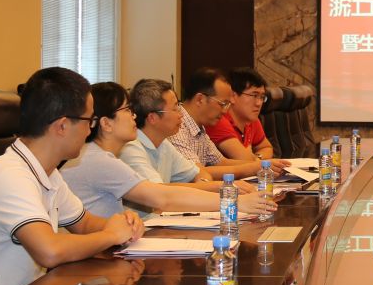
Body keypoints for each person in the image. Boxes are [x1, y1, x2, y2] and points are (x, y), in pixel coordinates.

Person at [0, 67, 144, 285]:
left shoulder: (48, 172)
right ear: (62, 126)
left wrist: (124, 225)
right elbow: (49, 251)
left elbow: (84, 224)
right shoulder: (11, 176)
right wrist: (111, 236)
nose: (90, 130)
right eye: (89, 120)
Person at [65, 81, 274, 221]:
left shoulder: (101, 155)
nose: (134, 116)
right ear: (106, 123)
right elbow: (162, 197)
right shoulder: (99, 159)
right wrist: (233, 200)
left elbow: (187, 179)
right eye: (127, 110)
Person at [169, 66, 272, 178]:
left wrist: (264, 165)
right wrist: (255, 167)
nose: (225, 111)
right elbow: (196, 172)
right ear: (200, 99)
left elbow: (221, 162)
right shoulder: (176, 127)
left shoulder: (199, 127)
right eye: (222, 104)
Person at [208, 67, 277, 164]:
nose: (259, 103)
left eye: (262, 97)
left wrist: (258, 158)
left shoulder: (251, 119)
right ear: (232, 96)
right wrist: (255, 161)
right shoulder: (218, 120)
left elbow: (267, 147)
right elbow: (245, 160)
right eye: (254, 95)